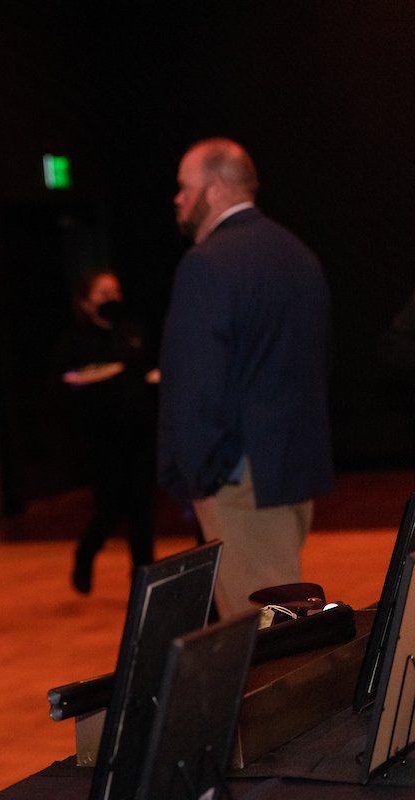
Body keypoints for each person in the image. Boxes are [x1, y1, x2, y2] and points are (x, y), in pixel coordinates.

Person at [158, 138, 332, 616]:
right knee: (286, 610)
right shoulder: (298, 254)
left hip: (240, 482)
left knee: (260, 631)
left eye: (184, 187)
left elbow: (195, 386)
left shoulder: (208, 264)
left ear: (214, 190)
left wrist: (195, 477)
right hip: (291, 470)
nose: (178, 198)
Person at [53, 270, 158, 594]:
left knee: (143, 510)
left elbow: (148, 371)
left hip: (139, 435)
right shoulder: (76, 341)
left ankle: (145, 583)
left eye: (115, 291)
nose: (112, 299)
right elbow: (67, 382)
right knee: (110, 508)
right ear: (86, 302)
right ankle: (85, 554)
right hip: (103, 440)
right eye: (103, 293)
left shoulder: (132, 333)